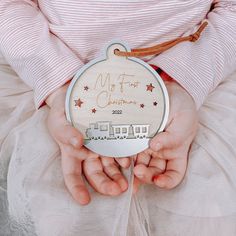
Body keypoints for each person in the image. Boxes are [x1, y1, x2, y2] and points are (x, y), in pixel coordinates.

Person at [0, 1, 236, 235]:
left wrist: (183, 79)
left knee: (207, 212)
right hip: (55, 74)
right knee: (63, 218)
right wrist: (61, 83)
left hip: (195, 71)